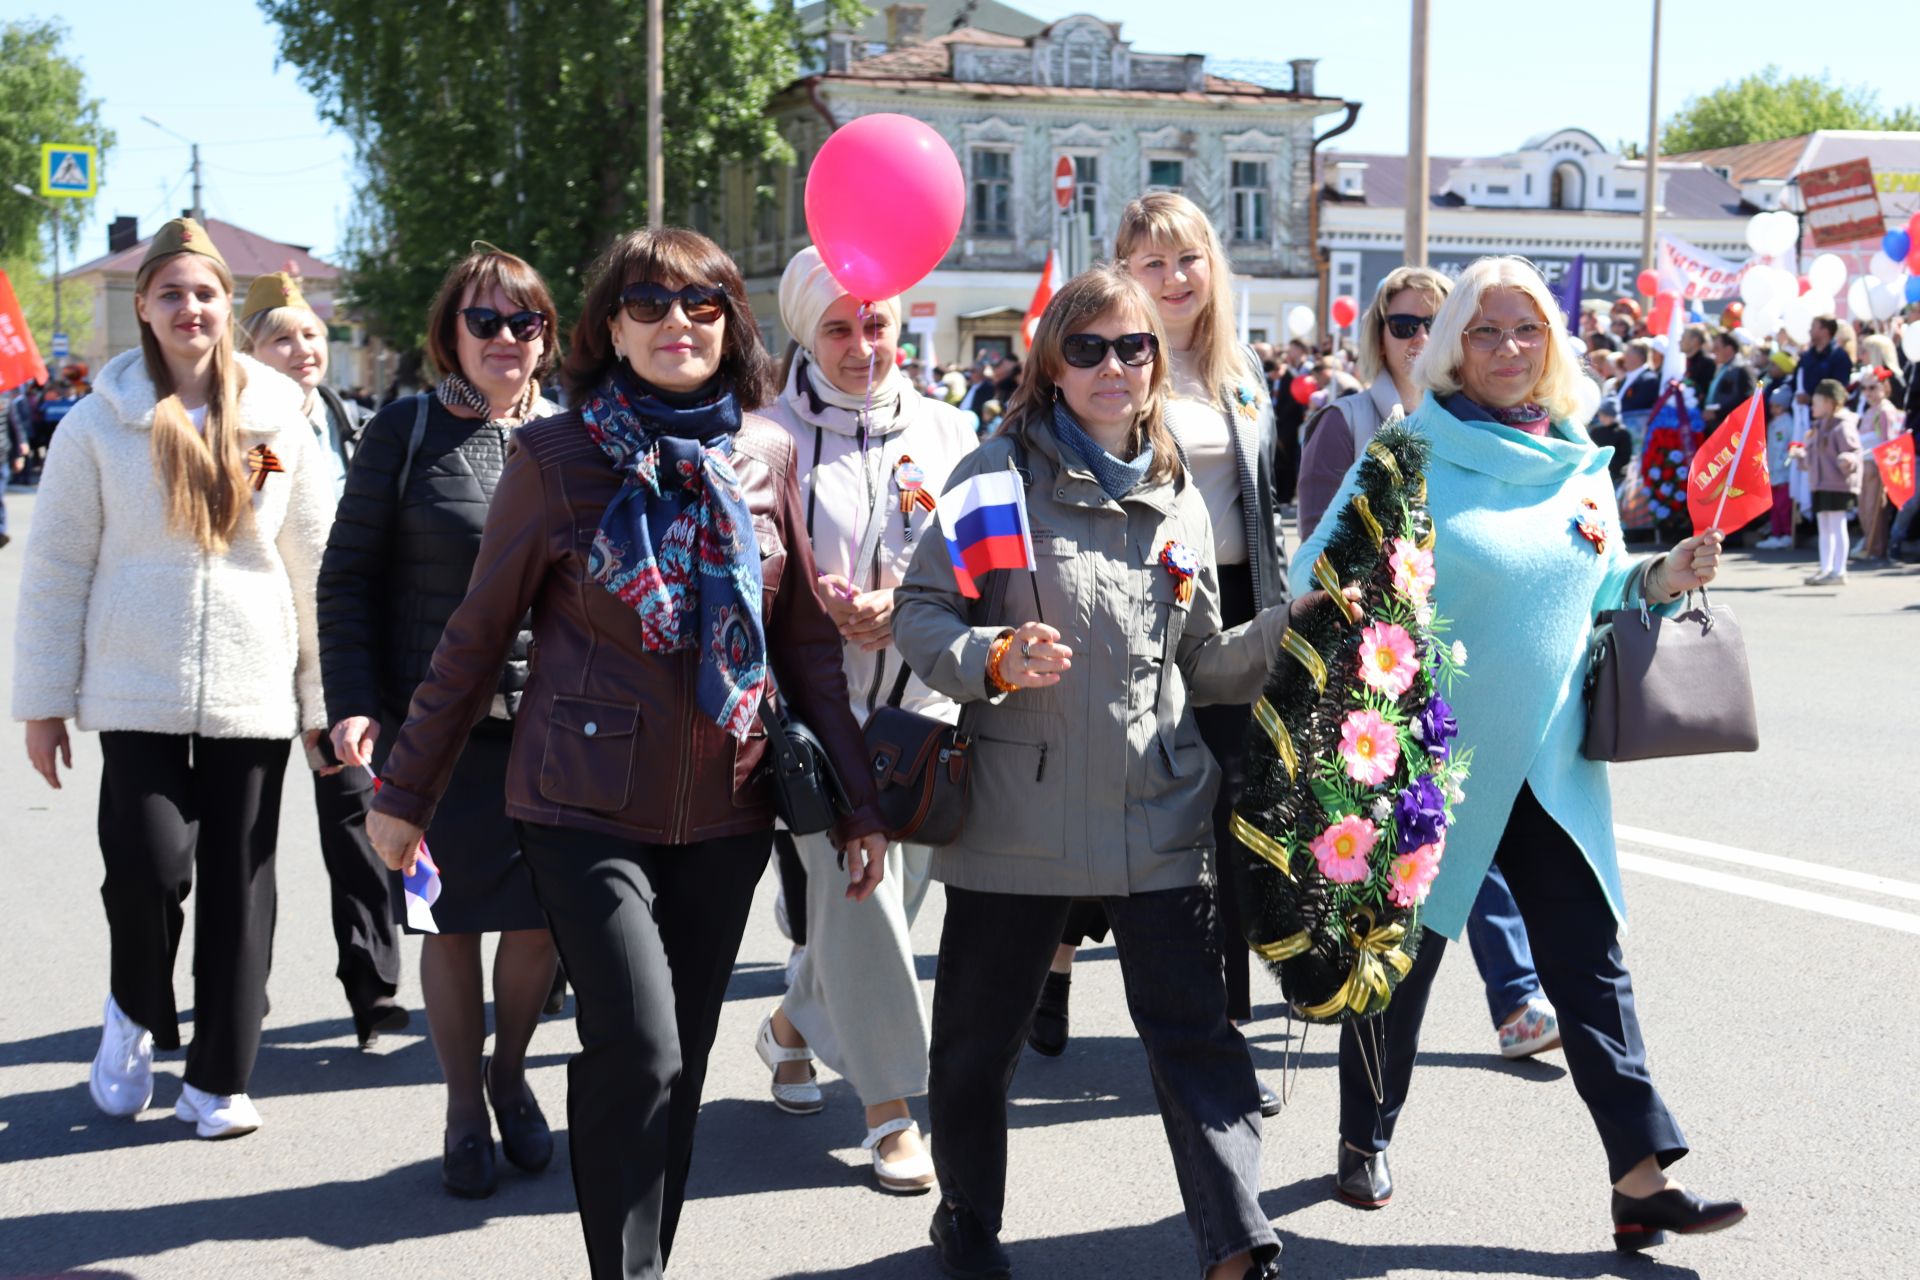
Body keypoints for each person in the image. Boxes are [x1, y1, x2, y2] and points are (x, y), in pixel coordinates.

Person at [364, 226, 887, 1278]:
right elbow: (473, 637)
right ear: (608, 328)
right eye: (647, 303)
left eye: (700, 303)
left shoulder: (766, 453)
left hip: (728, 809)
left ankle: (644, 1251)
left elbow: (805, 653)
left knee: (677, 1061)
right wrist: (406, 785)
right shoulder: (555, 457)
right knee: (639, 1046)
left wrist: (861, 806)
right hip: (580, 806)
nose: (676, 322)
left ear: (730, 323)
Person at [1295, 256, 1744, 1253]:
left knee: (1589, 964)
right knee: (1397, 965)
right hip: (1429, 762)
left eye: (1526, 331)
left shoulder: (1580, 457)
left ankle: (1640, 1177)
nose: (1507, 350)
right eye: (1487, 332)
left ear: (1552, 345)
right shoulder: (1411, 450)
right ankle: (1364, 1133)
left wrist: (1662, 571)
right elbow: (1314, 573)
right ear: (1455, 344)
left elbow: (1594, 591)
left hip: (1549, 759)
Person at [893, 264, 1322, 1280]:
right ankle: (968, 1215)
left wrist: (1286, 631)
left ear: (1156, 360)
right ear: (1051, 363)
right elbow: (922, 612)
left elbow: (1206, 662)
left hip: (1156, 811)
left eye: (1132, 347)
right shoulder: (996, 475)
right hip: (1015, 822)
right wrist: (992, 657)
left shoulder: (1174, 495)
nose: (1112, 366)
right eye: (1086, 348)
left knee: (1198, 1041)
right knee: (970, 1054)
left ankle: (1236, 1239)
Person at [13, 218, 333, 1139]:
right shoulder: (97, 422)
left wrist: (324, 700)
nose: (189, 309)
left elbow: (310, 558)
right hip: (134, 681)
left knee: (242, 881)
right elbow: (60, 566)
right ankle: (133, 1009)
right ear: (145, 310)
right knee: (147, 872)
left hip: (252, 681)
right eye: (170, 295)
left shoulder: (276, 423)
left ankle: (219, 1080)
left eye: (206, 294)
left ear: (230, 307)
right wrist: (43, 703)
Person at [319, 246, 563, 1197]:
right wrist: (355, 704)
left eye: (525, 322)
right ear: (449, 333)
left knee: (542, 921)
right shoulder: (407, 429)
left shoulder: (572, 436)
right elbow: (346, 579)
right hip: (441, 725)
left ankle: (513, 1077)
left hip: (553, 728)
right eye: (486, 321)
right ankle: (465, 1102)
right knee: (448, 923)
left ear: (547, 336)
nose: (506, 339)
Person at [752, 245, 976, 1194]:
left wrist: (909, 603)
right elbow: (743, 574)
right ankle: (892, 1111)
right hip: (819, 715)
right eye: (838, 327)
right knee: (862, 887)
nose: (862, 346)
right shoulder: (764, 435)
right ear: (805, 331)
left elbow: (983, 563)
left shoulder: (954, 429)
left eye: (876, 324)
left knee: (900, 892)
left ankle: (792, 1025)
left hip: (926, 706)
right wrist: (817, 606)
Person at [236, 271, 406, 1048]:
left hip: (345, 652)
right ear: (250, 352)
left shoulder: (352, 421)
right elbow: (255, 515)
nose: (303, 349)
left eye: (311, 335)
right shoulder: (256, 438)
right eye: (282, 337)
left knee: (358, 820)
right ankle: (238, 995)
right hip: (271, 651)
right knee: (246, 837)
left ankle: (372, 992)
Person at [1297, 266, 1449, 541]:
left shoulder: (1474, 421)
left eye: (1436, 324)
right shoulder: (1341, 423)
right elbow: (1318, 557)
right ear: (1379, 339)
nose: (1422, 337)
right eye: (1404, 326)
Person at [1793, 377, 1861, 586]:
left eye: (1816, 403)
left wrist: (1849, 459)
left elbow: (1854, 451)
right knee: (1824, 526)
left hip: (1838, 483)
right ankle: (1826, 568)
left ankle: (1839, 570)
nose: (1812, 407)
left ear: (1830, 403)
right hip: (1820, 483)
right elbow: (1812, 458)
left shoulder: (1842, 426)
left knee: (1837, 524)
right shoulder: (1817, 427)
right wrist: (1801, 456)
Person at [1853, 371, 1904, 566]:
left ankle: (1876, 547)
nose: (1868, 392)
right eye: (1864, 388)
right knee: (1864, 508)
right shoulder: (1869, 410)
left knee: (1873, 507)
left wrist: (1883, 465)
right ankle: (1869, 544)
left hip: (1875, 464)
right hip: (1864, 462)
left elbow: (1888, 440)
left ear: (1885, 387)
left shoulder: (1884, 410)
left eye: (1873, 387)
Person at [1702, 330, 1756, 431]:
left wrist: (1718, 413)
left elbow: (1747, 399)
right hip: (1717, 425)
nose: (1713, 352)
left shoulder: (1741, 369)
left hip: (1730, 428)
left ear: (1729, 350)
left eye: (1716, 348)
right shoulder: (1724, 367)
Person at [1589, 394, 1633, 487]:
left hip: (1614, 476)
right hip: (1595, 473)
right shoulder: (1595, 431)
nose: (1602, 417)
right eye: (1601, 414)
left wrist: (1606, 466)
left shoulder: (1622, 433)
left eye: (1606, 415)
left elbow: (1625, 457)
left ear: (1613, 416)